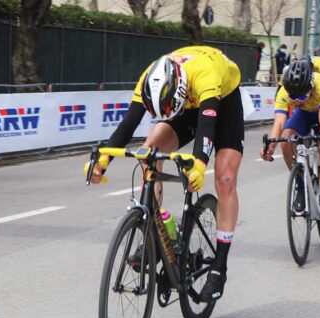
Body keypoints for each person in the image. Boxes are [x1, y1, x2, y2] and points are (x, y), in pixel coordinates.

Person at [85, 46, 244, 302]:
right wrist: (103, 160)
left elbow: (206, 127)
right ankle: (157, 235)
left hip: (222, 102)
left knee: (225, 178)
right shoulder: (150, 77)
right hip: (185, 106)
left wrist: (199, 165)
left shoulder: (206, 74)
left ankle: (219, 267)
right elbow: (128, 124)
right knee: (149, 153)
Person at [261, 59, 320, 227]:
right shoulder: (284, 90)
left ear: (310, 85)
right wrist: (270, 146)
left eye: (302, 96)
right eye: (294, 97)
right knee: (286, 140)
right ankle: (300, 185)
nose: (298, 100)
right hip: (304, 114)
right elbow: (279, 123)